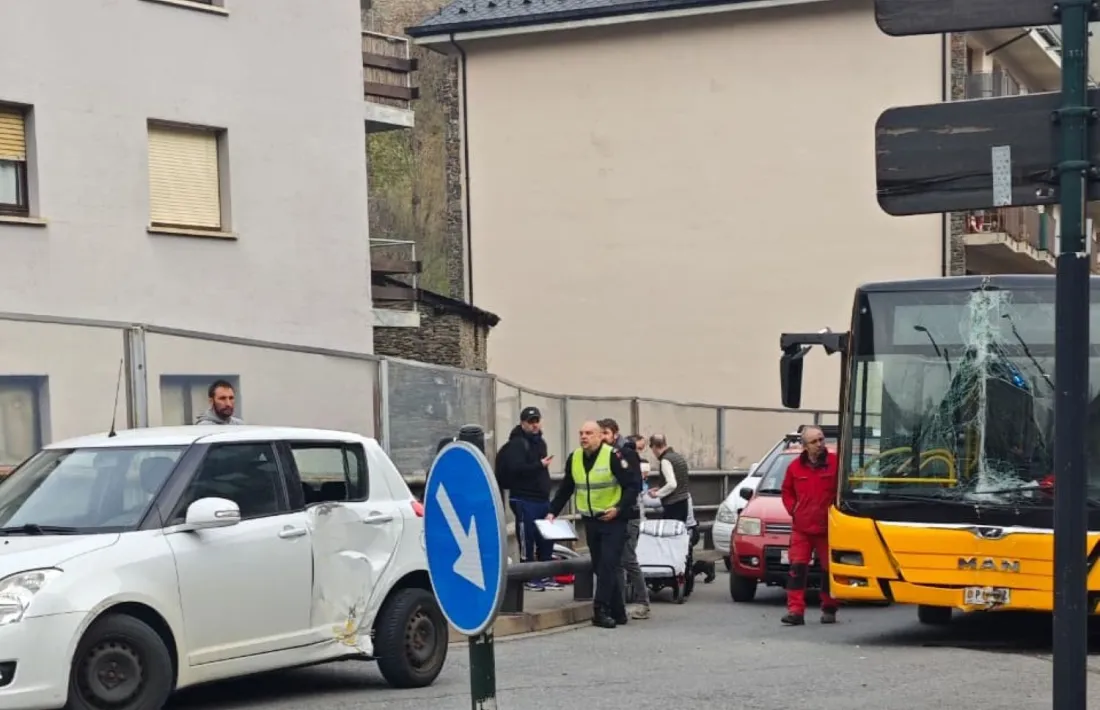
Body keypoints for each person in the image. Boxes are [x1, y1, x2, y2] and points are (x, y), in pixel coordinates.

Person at [548, 420, 639, 629]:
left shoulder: (613, 456)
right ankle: (618, 610)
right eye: (581, 433)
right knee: (602, 566)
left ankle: (600, 610)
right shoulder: (575, 458)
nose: (583, 437)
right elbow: (566, 488)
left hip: (614, 520)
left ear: (600, 436)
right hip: (591, 521)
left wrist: (618, 508)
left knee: (608, 563)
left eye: (589, 433)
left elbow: (632, 486)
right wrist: (552, 511)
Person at [780, 425, 840, 626]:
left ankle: (829, 608)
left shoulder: (835, 463)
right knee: (796, 570)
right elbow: (787, 491)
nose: (820, 444)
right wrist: (793, 510)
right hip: (802, 528)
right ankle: (795, 612)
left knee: (828, 569)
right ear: (805, 446)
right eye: (814, 441)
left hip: (827, 528)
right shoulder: (795, 468)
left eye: (821, 439)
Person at [495, 406, 560, 591]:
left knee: (546, 537)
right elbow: (517, 469)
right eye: (530, 422)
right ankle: (528, 575)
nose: (534, 425)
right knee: (527, 537)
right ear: (523, 423)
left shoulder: (541, 443)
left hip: (541, 498)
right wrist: (539, 465)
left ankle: (545, 573)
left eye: (536, 421)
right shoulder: (517, 444)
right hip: (524, 498)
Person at [599, 422, 650, 620]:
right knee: (617, 562)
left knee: (628, 559)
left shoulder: (625, 454)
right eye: (600, 433)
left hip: (629, 514)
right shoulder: (606, 454)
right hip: (615, 515)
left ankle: (643, 602)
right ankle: (618, 603)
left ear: (615, 434)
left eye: (606, 433)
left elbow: (634, 485)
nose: (602, 437)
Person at [646, 434, 691, 522]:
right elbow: (679, 480)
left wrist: (657, 493)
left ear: (654, 447)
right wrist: (661, 488)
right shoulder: (678, 457)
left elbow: (672, 484)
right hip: (684, 502)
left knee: (670, 533)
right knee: (679, 532)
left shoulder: (665, 460)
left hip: (672, 505)